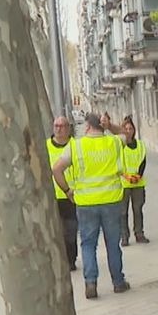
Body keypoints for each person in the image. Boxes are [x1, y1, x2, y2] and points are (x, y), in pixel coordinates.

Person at [53, 113, 130, 299]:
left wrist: (67, 190)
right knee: (113, 243)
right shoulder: (113, 142)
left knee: (88, 244)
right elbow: (127, 134)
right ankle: (118, 282)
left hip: (86, 203)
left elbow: (56, 169)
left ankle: (90, 284)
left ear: (87, 126)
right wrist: (110, 125)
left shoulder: (76, 146)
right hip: (111, 201)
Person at [47, 116, 79, 271]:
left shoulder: (75, 145)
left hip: (71, 197)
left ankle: (71, 260)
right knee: (54, 232)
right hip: (53, 197)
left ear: (68, 128)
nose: (59, 129)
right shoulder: (45, 146)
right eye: (56, 126)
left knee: (71, 231)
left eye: (62, 126)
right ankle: (58, 260)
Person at [119, 115, 149, 246]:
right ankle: (124, 236)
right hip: (124, 184)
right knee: (122, 212)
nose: (128, 131)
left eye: (130, 128)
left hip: (138, 183)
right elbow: (118, 163)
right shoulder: (119, 146)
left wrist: (138, 176)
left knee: (138, 209)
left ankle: (139, 233)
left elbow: (143, 161)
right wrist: (127, 176)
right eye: (125, 129)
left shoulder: (140, 145)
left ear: (134, 130)